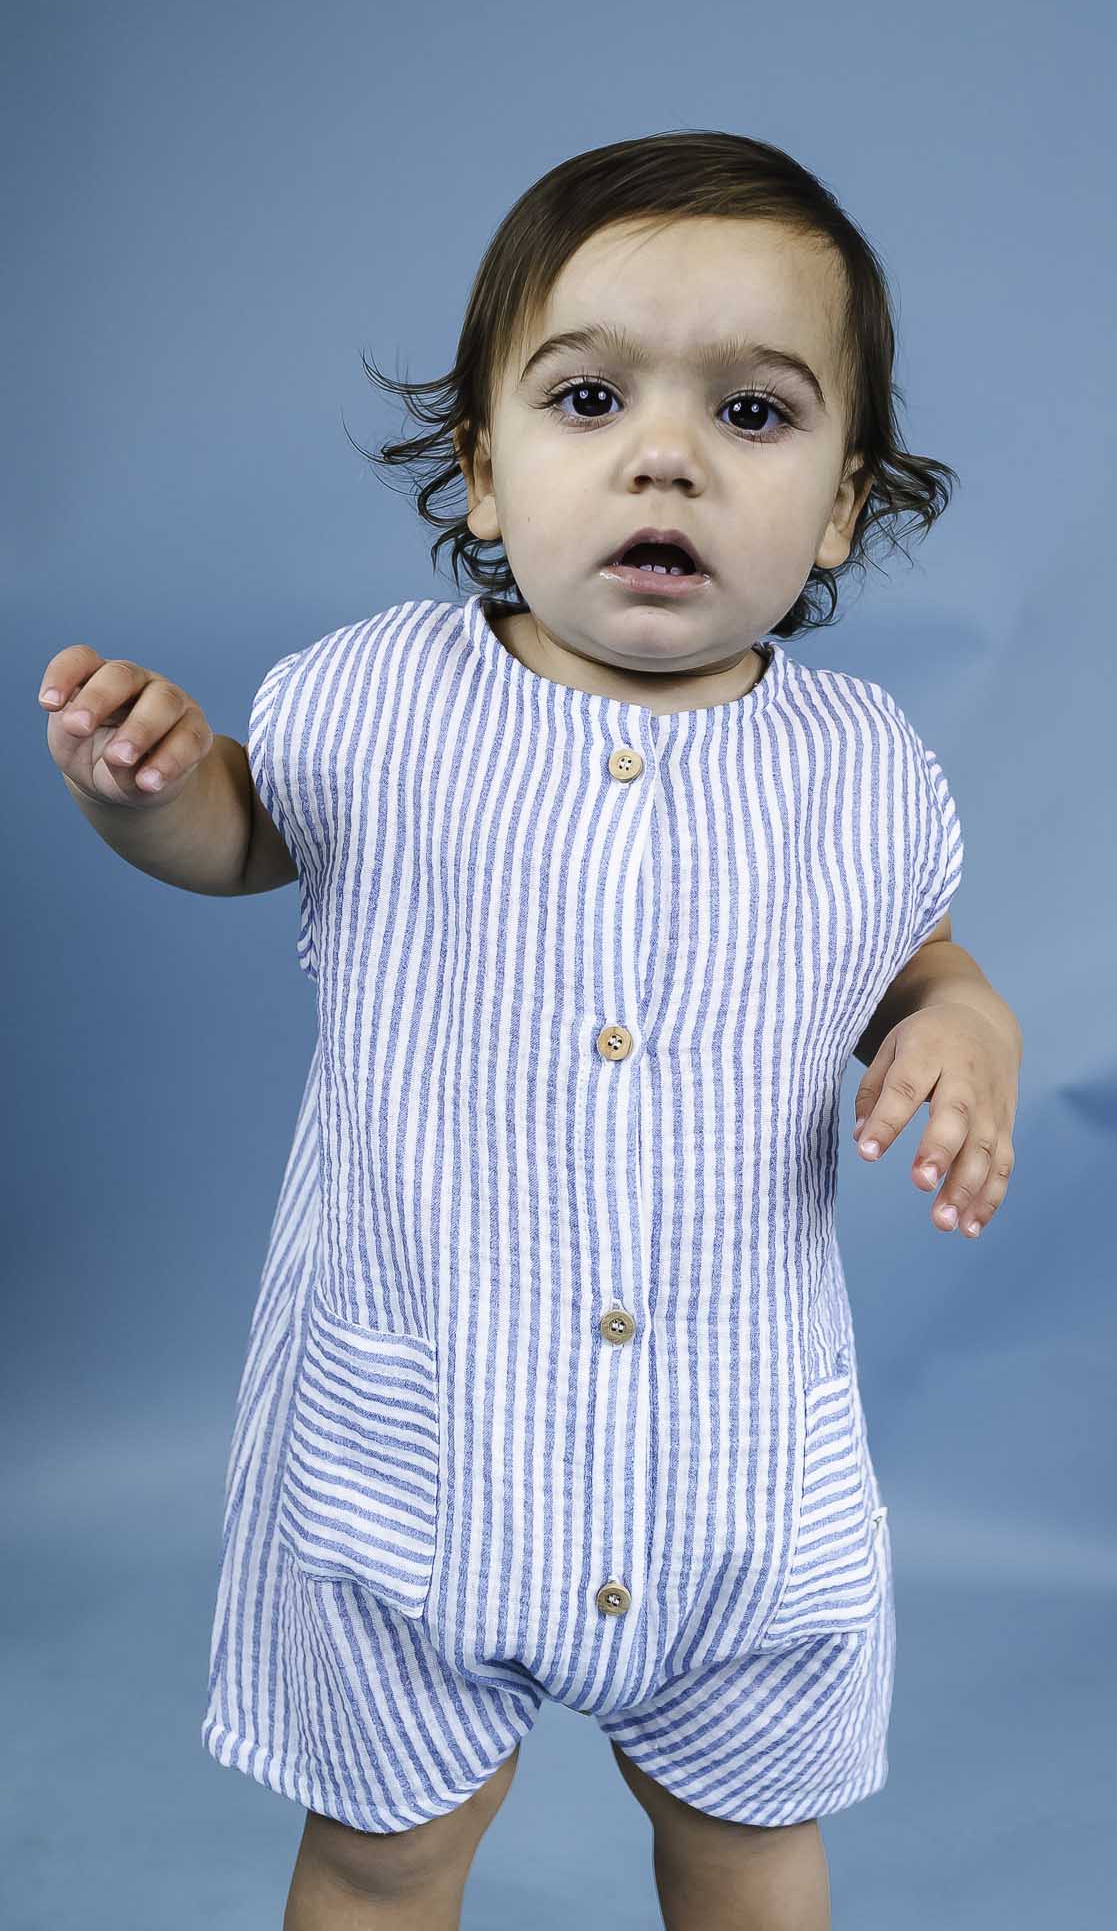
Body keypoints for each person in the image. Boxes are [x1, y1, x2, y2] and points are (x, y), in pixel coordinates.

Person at [39, 130, 1022, 1931]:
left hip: (732, 1466)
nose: (664, 454)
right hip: (427, 1450)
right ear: (485, 475)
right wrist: (151, 790)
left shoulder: (860, 765)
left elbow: (915, 954)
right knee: (383, 1856)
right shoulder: (377, 700)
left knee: (750, 1841)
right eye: (587, 398)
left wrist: (964, 1020)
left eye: (751, 413)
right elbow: (243, 835)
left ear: (841, 508)